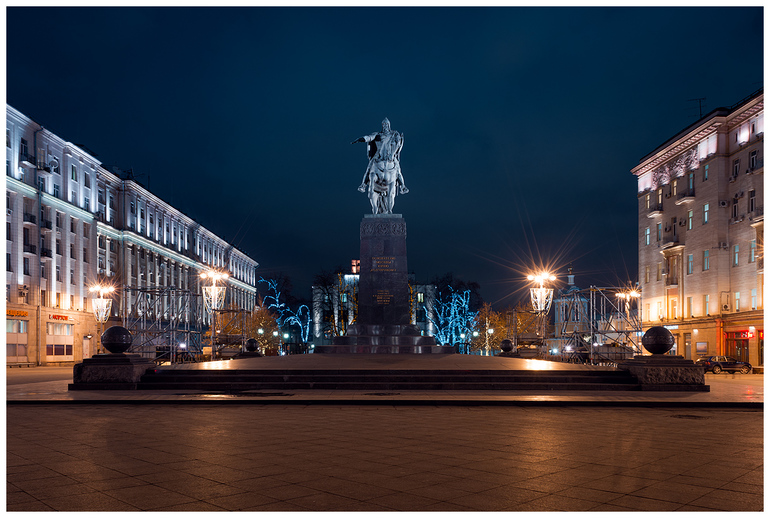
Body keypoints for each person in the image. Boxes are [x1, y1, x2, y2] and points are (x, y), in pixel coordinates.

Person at [351, 118, 408, 214]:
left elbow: (398, 143)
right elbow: (369, 137)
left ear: (389, 125)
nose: (385, 126)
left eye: (386, 124)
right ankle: (363, 184)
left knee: (398, 170)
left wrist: (394, 152)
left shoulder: (394, 134)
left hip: (390, 156)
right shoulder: (377, 135)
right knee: (370, 167)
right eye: (383, 124)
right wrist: (361, 139)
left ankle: (403, 186)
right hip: (378, 156)